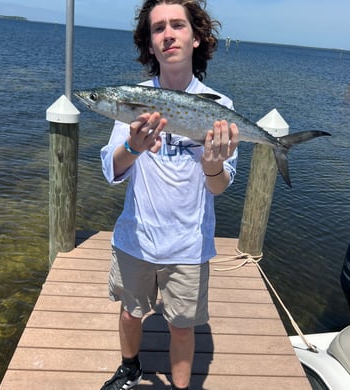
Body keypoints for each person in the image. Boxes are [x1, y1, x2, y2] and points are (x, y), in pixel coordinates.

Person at [99, 1, 240, 389]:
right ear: (150, 42)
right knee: (130, 313)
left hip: (189, 245)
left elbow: (219, 186)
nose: (168, 34)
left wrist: (211, 163)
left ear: (197, 37)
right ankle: (130, 368)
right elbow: (111, 169)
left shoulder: (221, 108)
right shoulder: (132, 98)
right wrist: (134, 146)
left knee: (182, 328)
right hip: (135, 237)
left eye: (177, 25)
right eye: (158, 27)